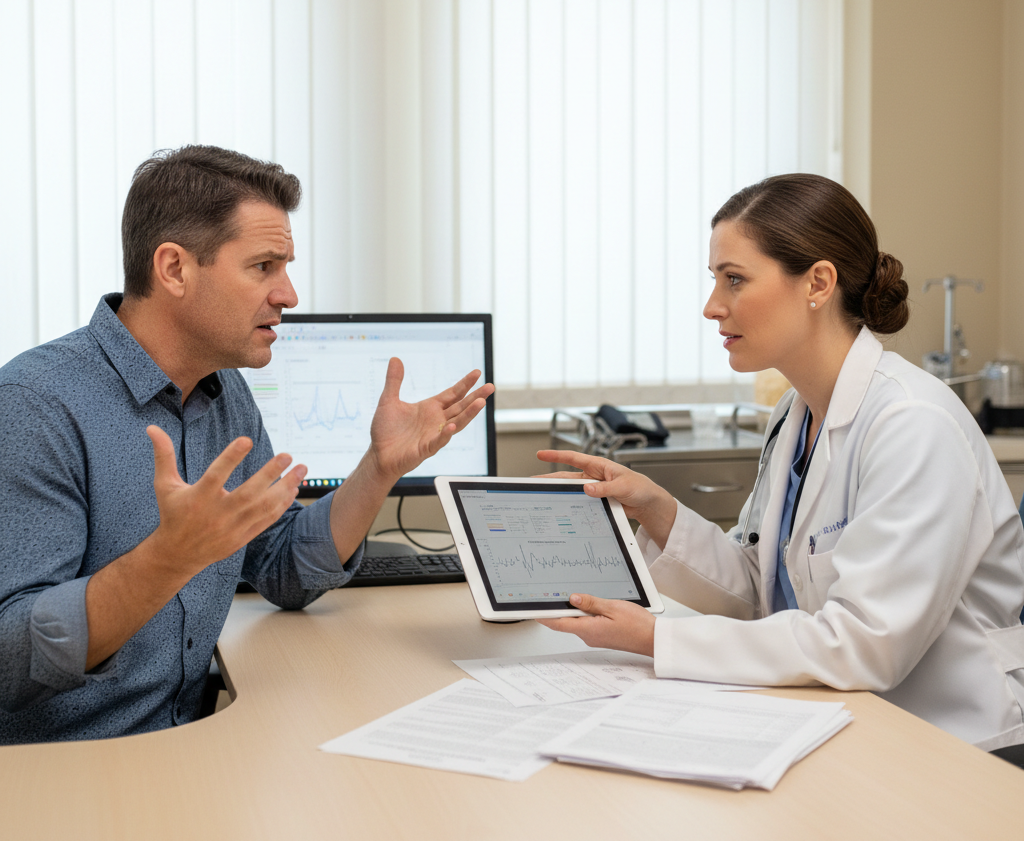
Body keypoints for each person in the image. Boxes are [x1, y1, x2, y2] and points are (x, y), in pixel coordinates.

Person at [0, 145, 493, 744]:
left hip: (189, 742)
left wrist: (379, 469)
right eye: (264, 266)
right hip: (70, 768)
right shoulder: (35, 404)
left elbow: (282, 569)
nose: (288, 294)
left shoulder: (224, 391)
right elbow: (9, 659)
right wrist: (169, 558)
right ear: (175, 269)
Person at [538, 173, 1024, 757]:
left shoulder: (913, 424)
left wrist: (658, 638)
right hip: (834, 716)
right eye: (715, 280)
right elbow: (763, 589)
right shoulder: (795, 415)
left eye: (735, 279)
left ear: (818, 282)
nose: (712, 306)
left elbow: (866, 643)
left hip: (948, 739)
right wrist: (657, 510)